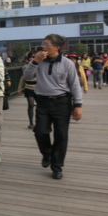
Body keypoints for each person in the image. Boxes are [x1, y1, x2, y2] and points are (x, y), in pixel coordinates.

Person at [23, 34, 82, 180]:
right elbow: (26, 76)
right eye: (43, 44)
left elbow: (74, 84)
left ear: (57, 47)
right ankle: (47, 154)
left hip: (62, 102)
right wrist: (35, 61)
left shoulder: (67, 63)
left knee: (61, 135)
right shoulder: (38, 61)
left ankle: (57, 166)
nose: (43, 47)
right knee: (40, 131)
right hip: (42, 101)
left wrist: (78, 105)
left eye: (46, 44)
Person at [17, 50, 38, 129]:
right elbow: (23, 78)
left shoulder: (41, 66)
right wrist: (19, 88)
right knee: (31, 104)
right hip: (29, 88)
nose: (33, 58)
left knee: (40, 106)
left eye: (35, 57)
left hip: (39, 88)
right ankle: (31, 122)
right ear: (29, 58)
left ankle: (39, 122)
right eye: (32, 57)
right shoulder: (26, 67)